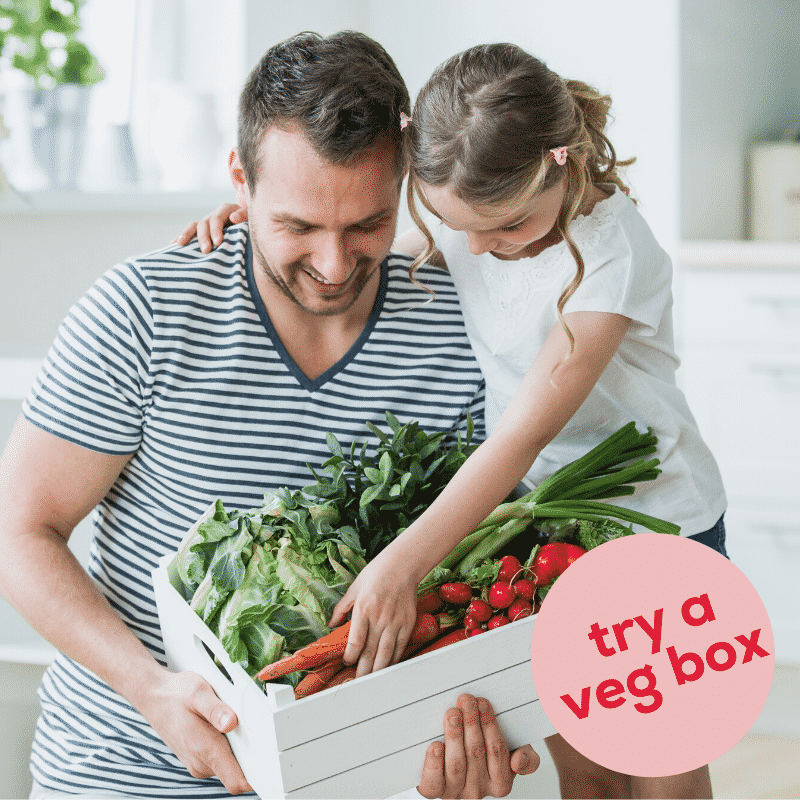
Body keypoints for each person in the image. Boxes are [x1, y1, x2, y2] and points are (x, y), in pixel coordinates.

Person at [180, 42, 727, 799]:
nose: (472, 250)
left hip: (656, 526)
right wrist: (271, 218)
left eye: (503, 231)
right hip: (559, 530)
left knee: (662, 759)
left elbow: (523, 434)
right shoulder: (476, 217)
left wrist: (400, 565)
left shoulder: (612, 254)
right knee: (589, 768)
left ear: (557, 166)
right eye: (450, 224)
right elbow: (360, 256)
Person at [0, 31, 538, 799]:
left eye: (365, 225)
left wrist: (454, 745)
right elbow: (19, 530)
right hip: (129, 773)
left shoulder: (466, 329)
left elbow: (483, 579)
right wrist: (152, 691)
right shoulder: (147, 310)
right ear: (239, 184)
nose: (332, 263)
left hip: (356, 781)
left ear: (409, 190)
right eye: (295, 226)